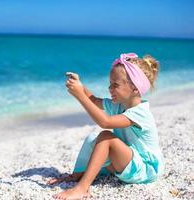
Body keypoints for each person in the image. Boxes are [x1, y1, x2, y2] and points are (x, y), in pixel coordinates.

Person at [48, 53, 165, 199]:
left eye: (115, 85)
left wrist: (80, 96)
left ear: (135, 88)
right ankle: (78, 175)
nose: (110, 88)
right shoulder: (119, 104)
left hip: (145, 169)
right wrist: (81, 86)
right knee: (93, 138)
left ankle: (82, 188)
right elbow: (94, 100)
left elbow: (105, 122)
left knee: (106, 137)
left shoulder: (141, 113)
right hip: (129, 162)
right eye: (110, 84)